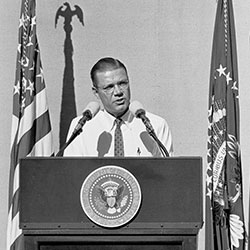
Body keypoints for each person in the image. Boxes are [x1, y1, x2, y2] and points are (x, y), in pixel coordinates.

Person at [64, 57, 173, 157]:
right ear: (96, 92)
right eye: (109, 87)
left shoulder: (156, 125)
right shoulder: (82, 128)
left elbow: (167, 172)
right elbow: (71, 174)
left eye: (122, 83)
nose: (118, 92)